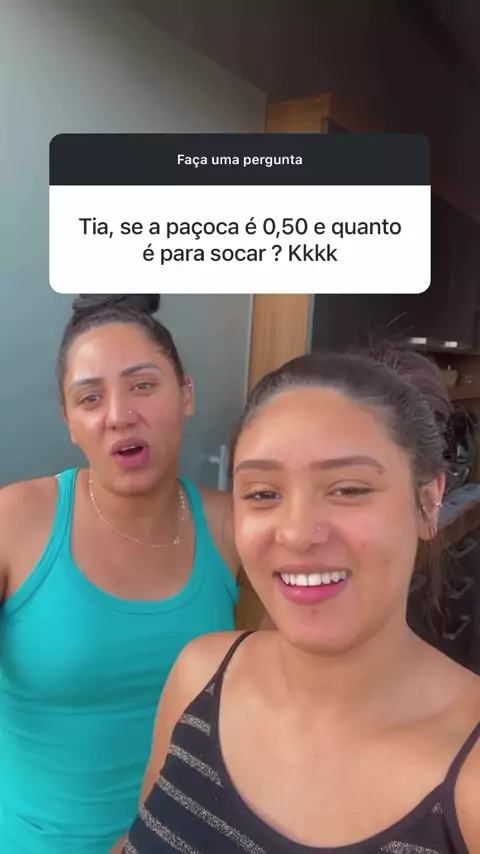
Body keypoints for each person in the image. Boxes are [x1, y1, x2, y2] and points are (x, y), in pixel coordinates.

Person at [123, 347, 480, 854]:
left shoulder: (469, 779)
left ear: (428, 502)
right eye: (263, 494)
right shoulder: (199, 674)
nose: (296, 532)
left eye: (348, 489)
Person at [0, 294, 243, 854]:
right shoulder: (16, 520)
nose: (119, 414)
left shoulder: (232, 527)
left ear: (186, 393)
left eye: (143, 385)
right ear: (69, 421)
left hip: (183, 840)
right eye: (90, 398)